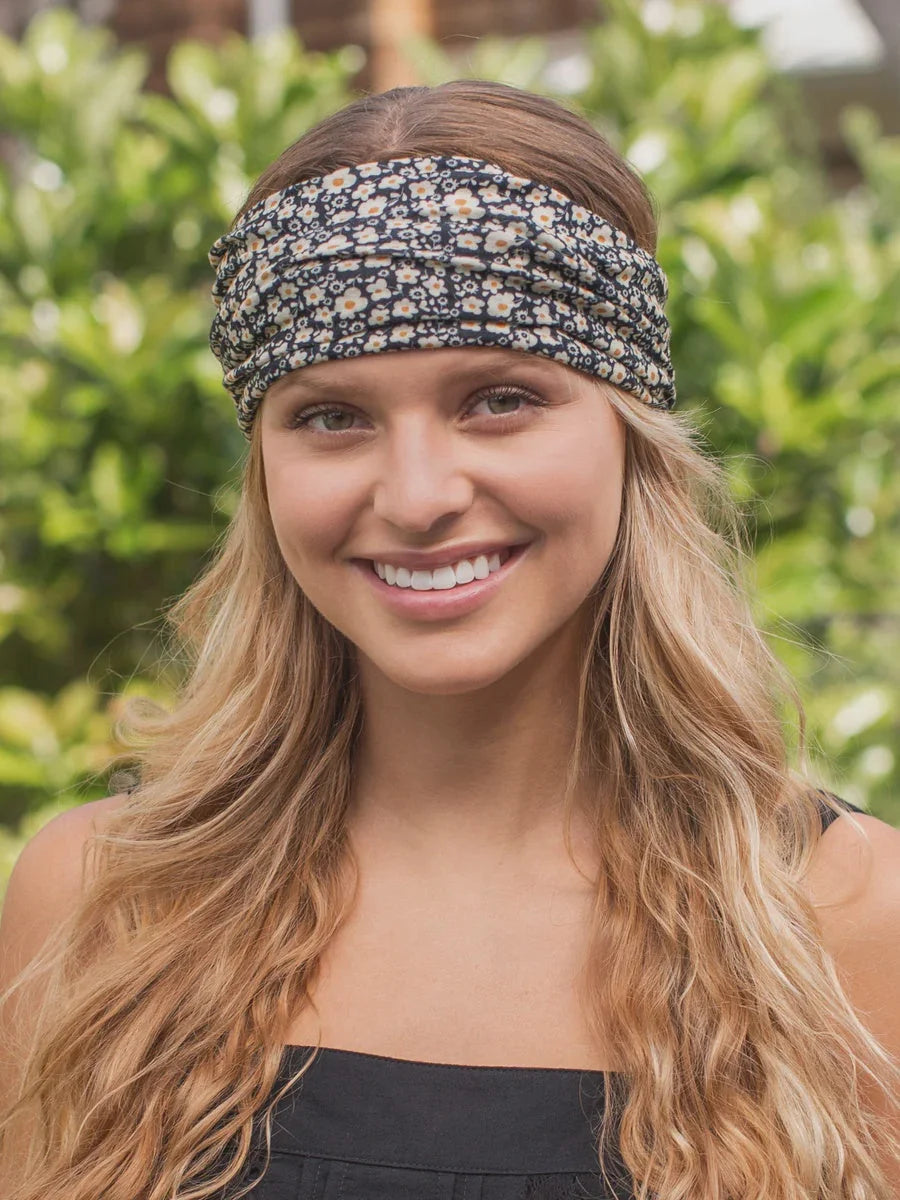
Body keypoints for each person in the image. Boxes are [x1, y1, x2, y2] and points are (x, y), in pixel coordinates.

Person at [1, 79, 898, 1200]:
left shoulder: (842, 919)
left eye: (499, 399)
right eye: (332, 417)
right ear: (266, 470)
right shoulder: (103, 905)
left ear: (630, 434)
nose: (419, 495)